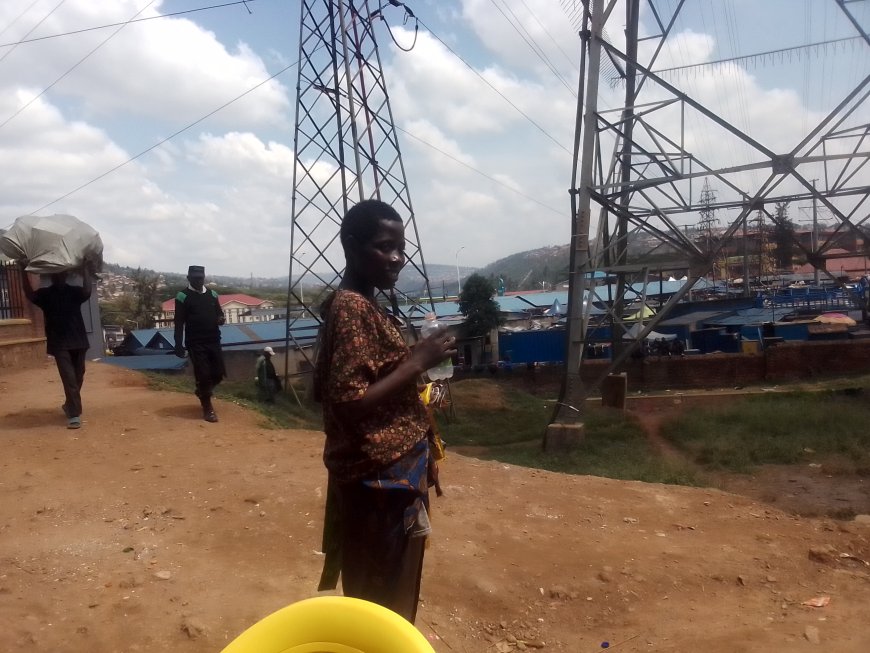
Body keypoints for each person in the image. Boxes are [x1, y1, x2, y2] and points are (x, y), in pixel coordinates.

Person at [314, 199, 457, 623]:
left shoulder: (364, 304)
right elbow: (348, 403)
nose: (396, 258)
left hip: (390, 477)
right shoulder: (352, 308)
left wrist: (415, 363)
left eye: (401, 248)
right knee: (383, 602)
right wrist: (416, 362)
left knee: (387, 593)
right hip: (379, 484)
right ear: (350, 245)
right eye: (384, 246)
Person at [19, 260, 95, 429]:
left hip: (79, 341)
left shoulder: (74, 292)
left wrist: (86, 269)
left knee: (78, 376)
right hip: (60, 343)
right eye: (56, 275)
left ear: (66, 275)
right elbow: (29, 293)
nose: (59, 277)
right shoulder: (46, 295)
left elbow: (87, 291)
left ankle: (69, 404)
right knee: (69, 378)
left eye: (62, 274)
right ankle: (74, 414)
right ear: (52, 277)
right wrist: (23, 270)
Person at [173, 265, 226, 423]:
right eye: (195, 278)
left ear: (204, 278)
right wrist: (178, 344)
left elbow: (219, 314)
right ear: (188, 278)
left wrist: (220, 319)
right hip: (195, 342)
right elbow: (179, 322)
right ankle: (207, 408)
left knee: (218, 373)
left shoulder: (212, 294)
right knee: (203, 374)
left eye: (200, 278)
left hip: (213, 339)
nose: (198, 281)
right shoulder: (182, 296)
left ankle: (202, 391)